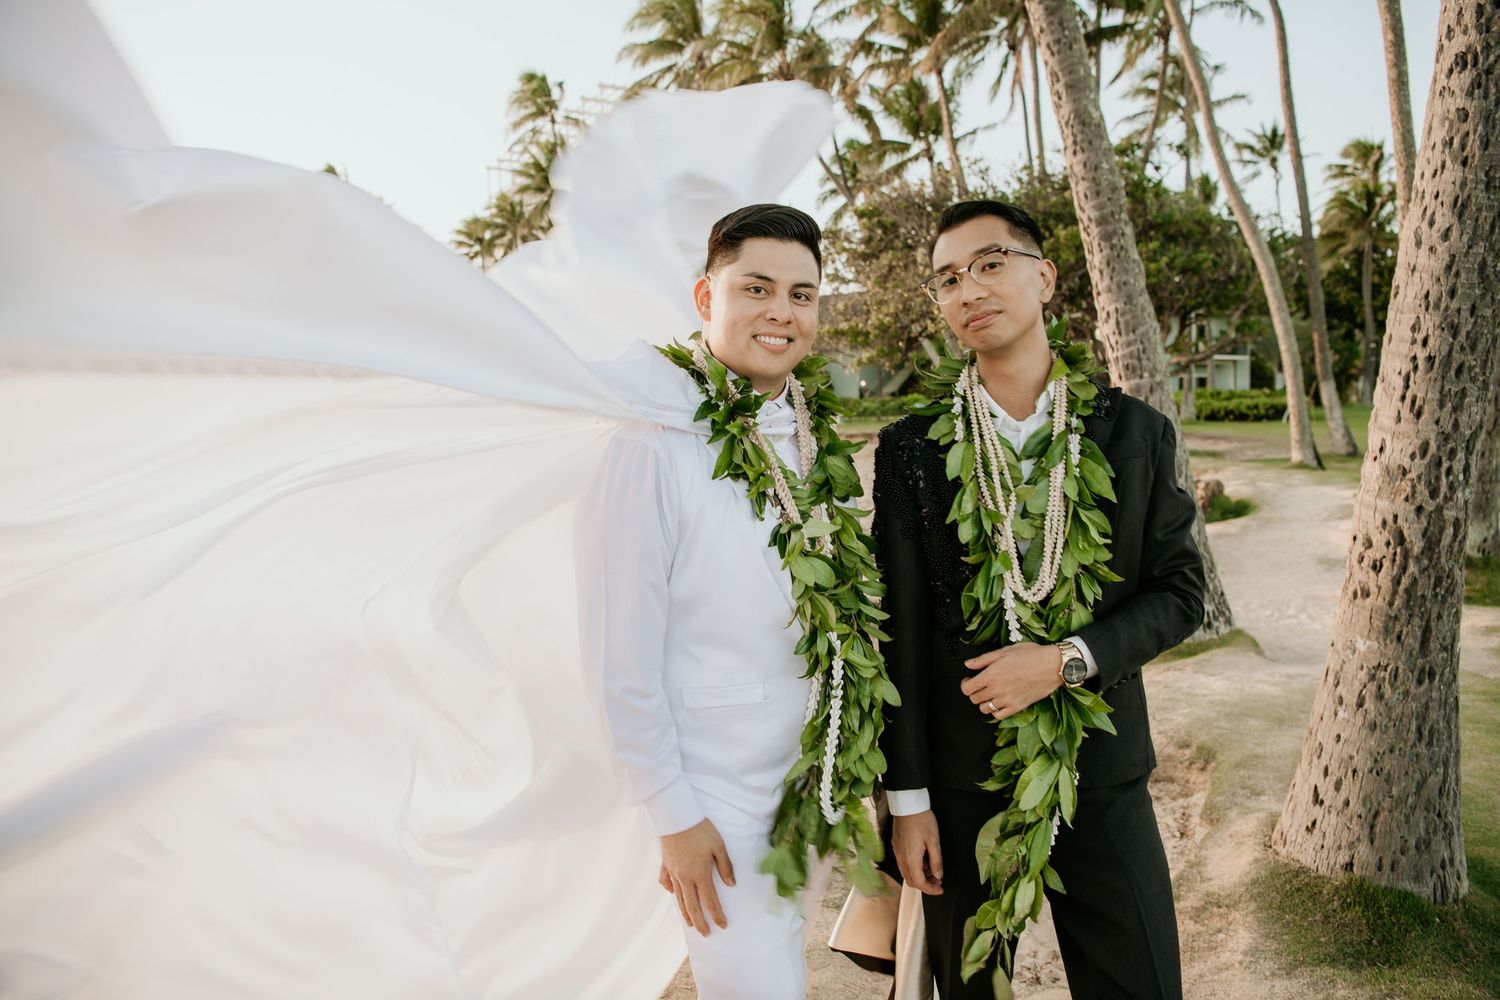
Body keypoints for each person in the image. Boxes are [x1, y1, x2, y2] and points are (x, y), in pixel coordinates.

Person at [874, 200, 1206, 999]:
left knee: (1143, 984)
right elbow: (902, 635)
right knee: (969, 990)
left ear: (1044, 277)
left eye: (990, 263)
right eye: (949, 278)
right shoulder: (910, 449)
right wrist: (909, 801)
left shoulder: (1132, 432)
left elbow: (1180, 593)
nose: (970, 289)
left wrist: (1066, 661)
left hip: (1102, 771)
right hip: (961, 785)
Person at [582, 203, 869, 1000]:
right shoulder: (650, 444)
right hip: (718, 798)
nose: (782, 313)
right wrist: (673, 814)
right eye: (758, 288)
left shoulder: (813, 435)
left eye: (803, 295)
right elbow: (619, 654)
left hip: (806, 788)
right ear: (707, 299)